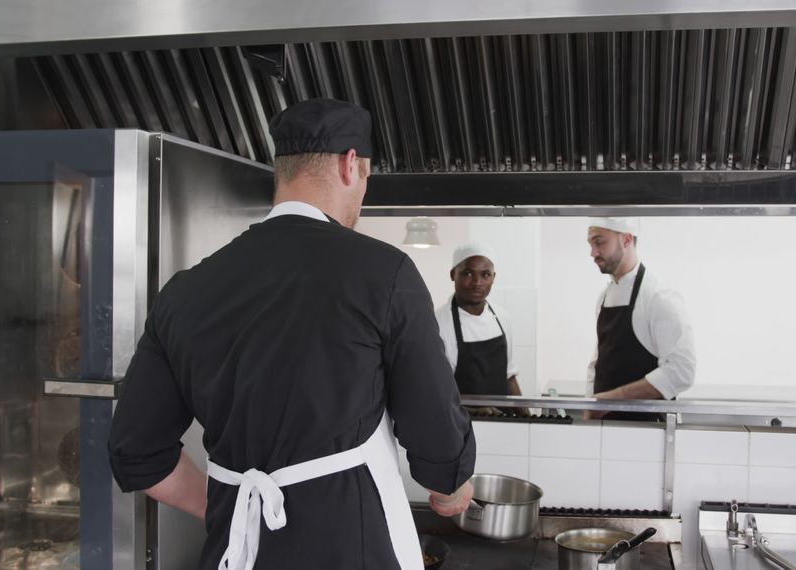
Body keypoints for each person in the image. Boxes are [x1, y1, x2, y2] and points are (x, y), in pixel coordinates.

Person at [107, 98, 476, 570]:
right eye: (366, 178)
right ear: (350, 165)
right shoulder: (383, 273)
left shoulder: (184, 291)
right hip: (348, 552)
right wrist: (452, 488)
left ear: (282, 171)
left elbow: (137, 454)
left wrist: (235, 507)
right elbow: (438, 444)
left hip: (234, 553)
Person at [585, 218, 695, 421]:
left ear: (626, 240)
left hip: (649, 432)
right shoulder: (604, 297)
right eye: (590, 244)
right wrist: (590, 405)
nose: (593, 253)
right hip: (604, 428)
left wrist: (611, 400)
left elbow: (681, 371)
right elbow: (599, 362)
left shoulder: (659, 297)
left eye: (599, 242)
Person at [434, 243, 527, 415]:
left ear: (494, 277)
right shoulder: (438, 324)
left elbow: (509, 376)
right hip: (459, 425)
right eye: (468, 273)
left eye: (485, 275)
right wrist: (474, 412)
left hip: (505, 422)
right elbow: (436, 391)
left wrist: (528, 417)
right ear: (453, 274)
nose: (477, 283)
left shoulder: (502, 317)